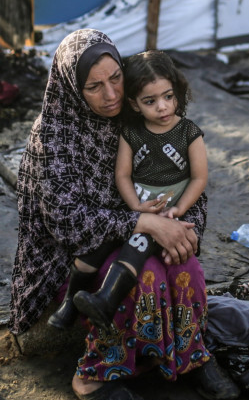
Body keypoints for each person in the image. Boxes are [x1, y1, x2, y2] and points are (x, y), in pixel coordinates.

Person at [8, 29, 238, 400]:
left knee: (186, 267)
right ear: (72, 87)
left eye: (116, 78)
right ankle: (95, 376)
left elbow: (187, 181)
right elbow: (67, 223)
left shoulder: (139, 115)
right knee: (143, 276)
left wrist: (185, 229)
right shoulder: (55, 135)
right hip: (72, 260)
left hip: (140, 235)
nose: (111, 94)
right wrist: (143, 221)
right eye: (94, 86)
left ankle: (188, 354)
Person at [51, 50, 208, 332]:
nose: (162, 107)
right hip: (132, 209)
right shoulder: (130, 132)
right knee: (93, 250)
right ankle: (70, 305)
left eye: (168, 97)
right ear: (135, 104)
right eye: (150, 101)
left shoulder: (188, 132)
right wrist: (135, 208)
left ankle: (105, 301)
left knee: (136, 248)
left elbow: (198, 178)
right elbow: (122, 174)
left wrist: (178, 211)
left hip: (163, 210)